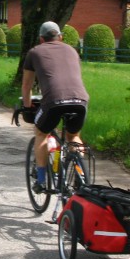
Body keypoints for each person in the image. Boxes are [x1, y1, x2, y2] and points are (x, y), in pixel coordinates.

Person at [22, 21, 90, 194]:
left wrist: (27, 105)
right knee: (73, 135)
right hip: (80, 100)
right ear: (60, 36)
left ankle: (42, 180)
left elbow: (27, 86)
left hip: (53, 101)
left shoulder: (34, 52)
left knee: (40, 133)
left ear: (41, 39)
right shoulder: (72, 50)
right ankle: (79, 172)